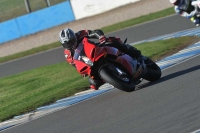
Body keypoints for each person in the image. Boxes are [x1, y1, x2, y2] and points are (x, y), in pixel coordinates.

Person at [59, 28, 141, 90]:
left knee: (112, 41)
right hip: (90, 62)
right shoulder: (68, 55)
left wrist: (101, 37)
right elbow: (76, 65)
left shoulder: (80, 34)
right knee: (93, 83)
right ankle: (113, 78)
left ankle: (134, 52)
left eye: (71, 41)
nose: (70, 45)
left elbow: (94, 32)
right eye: (67, 44)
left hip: (96, 50)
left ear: (74, 37)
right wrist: (83, 72)